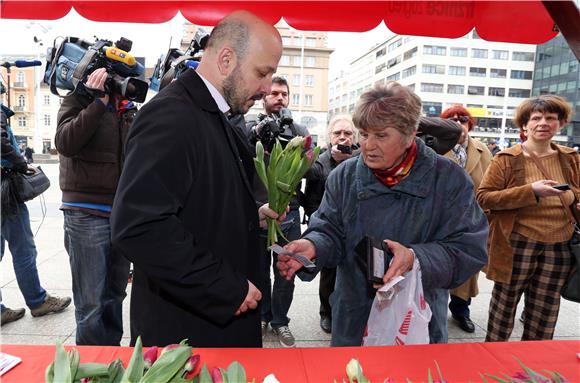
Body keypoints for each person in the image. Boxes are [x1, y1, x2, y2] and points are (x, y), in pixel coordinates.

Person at [111, 10, 284, 348]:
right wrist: (223, 286)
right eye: (262, 73)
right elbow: (138, 226)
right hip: (189, 335)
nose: (267, 88)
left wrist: (252, 216)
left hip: (213, 324)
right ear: (226, 59)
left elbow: (199, 201)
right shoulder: (171, 116)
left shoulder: (214, 114)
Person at [277, 82, 489, 346]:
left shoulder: (448, 179)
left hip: (416, 321)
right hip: (354, 318)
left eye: (381, 135)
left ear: (410, 134)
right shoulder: (344, 175)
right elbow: (328, 227)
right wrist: (312, 245)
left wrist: (415, 258)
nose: (368, 146)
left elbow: (470, 248)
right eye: (364, 134)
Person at [477, 95, 579, 341]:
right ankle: (494, 361)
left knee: (545, 312)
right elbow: (484, 197)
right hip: (517, 243)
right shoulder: (507, 159)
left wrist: (572, 198)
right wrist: (531, 191)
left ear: (561, 123)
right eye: (536, 118)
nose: (543, 123)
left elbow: (576, 193)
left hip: (560, 245)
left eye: (551, 118)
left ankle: (534, 367)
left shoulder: (571, 158)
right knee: (504, 307)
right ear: (525, 125)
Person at [55, 67, 136, 345]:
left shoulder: (126, 108)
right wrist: (97, 102)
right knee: (91, 302)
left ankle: (110, 357)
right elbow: (65, 142)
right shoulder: (77, 100)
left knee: (115, 295)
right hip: (85, 212)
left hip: (120, 213)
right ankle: (91, 367)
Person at [245, 76, 309, 347]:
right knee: (258, 271)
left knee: (285, 271)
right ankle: (261, 315)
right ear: (264, 97)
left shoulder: (299, 129)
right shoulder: (251, 129)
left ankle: (280, 321)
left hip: (289, 214)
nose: (279, 98)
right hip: (260, 213)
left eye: (284, 93)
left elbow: (311, 169)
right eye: (274, 93)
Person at [1, 82, 71, 326]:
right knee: (23, 249)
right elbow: (1, 141)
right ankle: (38, 301)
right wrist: (22, 164)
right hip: (4, 193)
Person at [301, 115, 357, 334]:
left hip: (356, 227)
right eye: (337, 133)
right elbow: (311, 183)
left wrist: (349, 160)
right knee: (329, 274)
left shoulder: (363, 158)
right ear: (329, 137)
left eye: (347, 133)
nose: (342, 137)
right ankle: (327, 312)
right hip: (329, 228)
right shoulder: (320, 161)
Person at [440, 105, 492, 333]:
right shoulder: (435, 148)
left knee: (467, 273)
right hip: (440, 222)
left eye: (462, 119)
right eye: (450, 119)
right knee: (439, 269)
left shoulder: (482, 151)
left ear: (469, 124)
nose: (457, 122)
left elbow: (490, 186)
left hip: (471, 221)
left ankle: (461, 311)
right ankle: (435, 311)